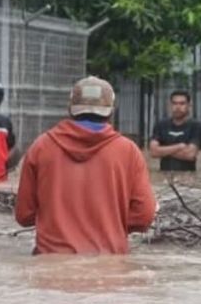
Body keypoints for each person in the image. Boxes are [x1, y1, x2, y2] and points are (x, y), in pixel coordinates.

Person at [15, 76, 158, 254]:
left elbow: (24, 215)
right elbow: (144, 215)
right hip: (109, 267)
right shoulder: (129, 151)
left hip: (52, 264)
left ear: (70, 109)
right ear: (111, 111)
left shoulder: (41, 147)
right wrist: (110, 224)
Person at [149, 90, 201, 172]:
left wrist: (163, 151)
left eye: (182, 103)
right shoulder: (161, 125)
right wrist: (179, 147)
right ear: (170, 105)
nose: (178, 107)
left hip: (188, 178)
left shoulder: (196, 126)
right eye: (175, 103)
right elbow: (153, 152)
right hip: (164, 176)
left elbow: (190, 155)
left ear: (189, 105)